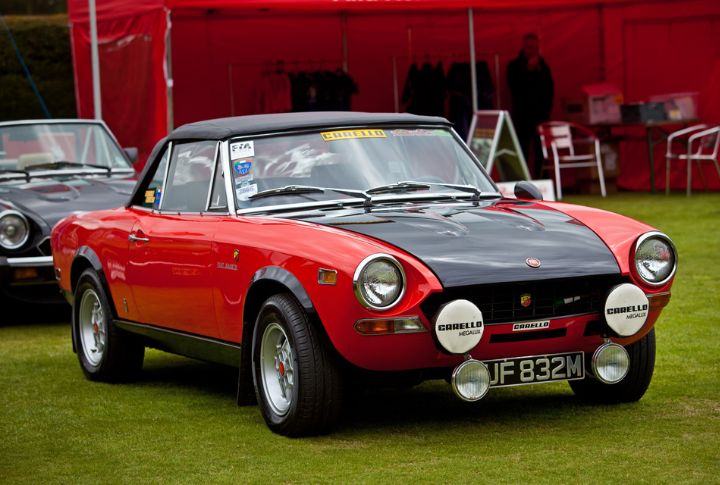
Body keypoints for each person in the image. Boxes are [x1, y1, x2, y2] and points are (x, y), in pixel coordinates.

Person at [507, 33, 554, 178]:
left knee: (542, 151)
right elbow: (514, 87)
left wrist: (546, 111)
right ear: (524, 47)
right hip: (522, 115)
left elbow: (549, 89)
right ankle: (521, 179)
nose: (532, 51)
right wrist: (527, 70)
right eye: (530, 47)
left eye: (535, 48)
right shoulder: (514, 66)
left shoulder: (543, 66)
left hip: (541, 116)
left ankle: (543, 179)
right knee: (522, 150)